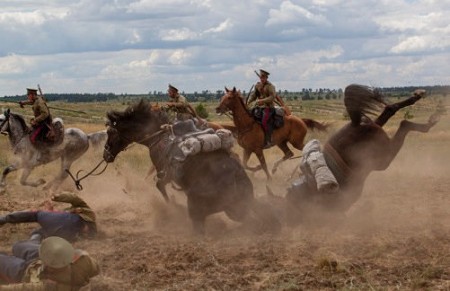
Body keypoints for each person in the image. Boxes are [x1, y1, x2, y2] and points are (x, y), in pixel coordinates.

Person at [0, 236, 99, 289]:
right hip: (43, 258)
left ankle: (35, 237)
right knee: (18, 246)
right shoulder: (84, 261)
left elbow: (22, 288)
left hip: (23, 271)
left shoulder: (50, 285)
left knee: (14, 249)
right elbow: (96, 269)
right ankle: (35, 237)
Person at [0, 192, 97, 243]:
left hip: (68, 222)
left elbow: (73, 198)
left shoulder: (86, 210)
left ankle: (4, 219)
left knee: (35, 215)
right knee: (43, 232)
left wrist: (57, 197)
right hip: (66, 235)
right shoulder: (90, 225)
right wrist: (51, 210)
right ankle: (33, 243)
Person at [247, 69, 277, 148]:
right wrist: (247, 103)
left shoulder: (270, 86)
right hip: (259, 107)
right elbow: (254, 96)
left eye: (263, 77)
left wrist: (262, 100)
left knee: (264, 122)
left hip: (268, 108)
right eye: (261, 77)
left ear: (266, 78)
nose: (262, 79)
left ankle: (268, 140)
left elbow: (272, 97)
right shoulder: (257, 85)